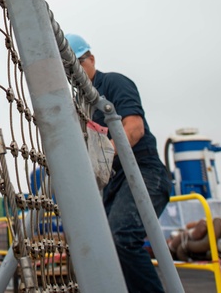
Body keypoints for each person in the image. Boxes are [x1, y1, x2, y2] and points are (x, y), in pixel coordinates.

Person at [65, 34, 172, 292]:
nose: (74, 73)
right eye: (68, 69)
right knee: (101, 245)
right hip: (113, 183)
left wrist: (104, 157)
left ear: (91, 59)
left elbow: (134, 128)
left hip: (143, 173)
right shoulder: (81, 106)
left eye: (77, 64)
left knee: (121, 236)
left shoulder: (114, 83)